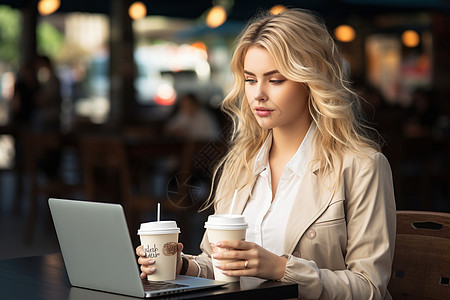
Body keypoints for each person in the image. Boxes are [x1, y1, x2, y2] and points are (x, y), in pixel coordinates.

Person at [137, 8, 396, 299]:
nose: (258, 94)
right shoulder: (240, 164)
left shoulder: (362, 167)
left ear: (311, 82)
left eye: (275, 80)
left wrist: (280, 268)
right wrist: (183, 265)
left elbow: (370, 287)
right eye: (250, 79)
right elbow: (219, 265)